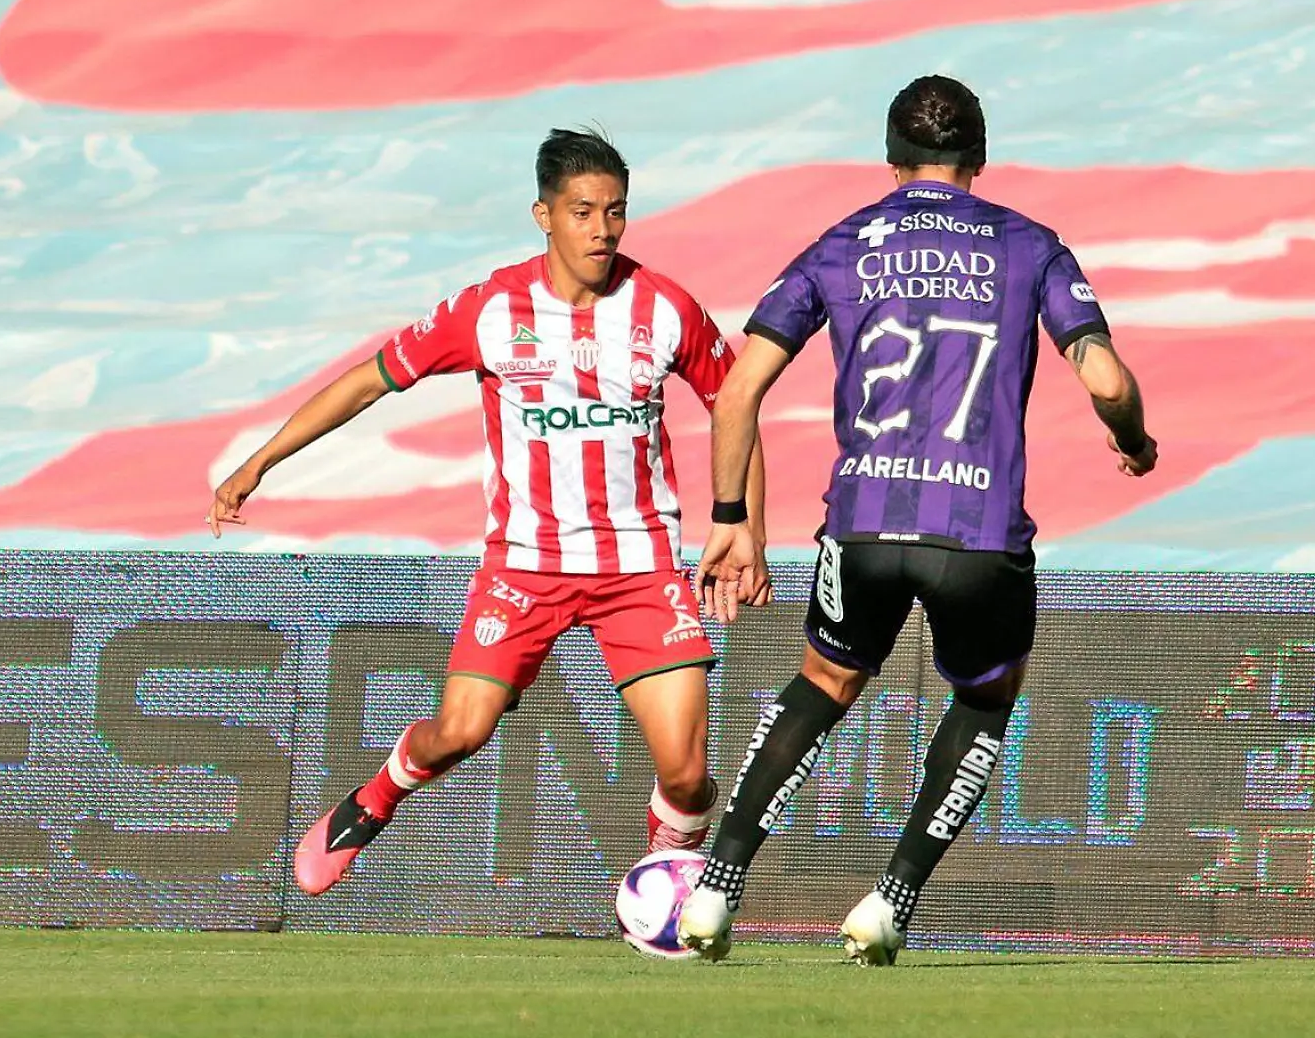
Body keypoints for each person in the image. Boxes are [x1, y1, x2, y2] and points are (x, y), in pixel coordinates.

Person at [205, 128, 770, 896]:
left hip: (638, 568)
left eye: (615, 211)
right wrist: (259, 461)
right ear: (543, 215)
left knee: (688, 770)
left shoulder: (665, 307)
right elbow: (367, 381)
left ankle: (660, 887)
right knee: (459, 733)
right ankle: (372, 802)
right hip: (525, 567)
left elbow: (735, 405)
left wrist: (747, 532)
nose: (602, 229)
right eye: (582, 211)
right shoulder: (491, 309)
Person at [677, 75, 1156, 965]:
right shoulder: (1031, 247)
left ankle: (716, 888)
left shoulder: (844, 242)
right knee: (983, 699)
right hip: (978, 536)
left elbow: (739, 388)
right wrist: (1135, 439)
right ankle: (892, 899)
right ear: (978, 158)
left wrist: (733, 517)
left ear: (892, 161)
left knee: (821, 685)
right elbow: (1107, 380)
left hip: (861, 524)